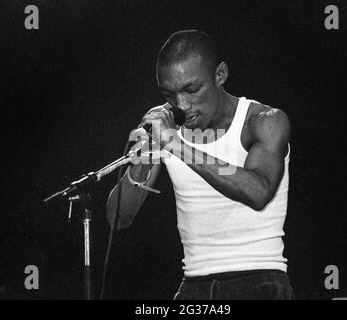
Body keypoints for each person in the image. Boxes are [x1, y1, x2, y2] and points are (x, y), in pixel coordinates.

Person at [107, 29, 294, 300]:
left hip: (260, 280)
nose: (182, 104)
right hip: (194, 286)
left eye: (191, 89)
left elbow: (258, 192)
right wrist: (142, 162)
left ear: (220, 75)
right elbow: (117, 219)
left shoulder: (263, 120)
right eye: (169, 94)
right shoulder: (167, 128)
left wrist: (179, 147)